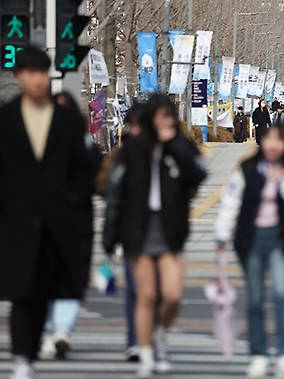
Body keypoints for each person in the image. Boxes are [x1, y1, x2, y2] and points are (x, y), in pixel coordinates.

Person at [0, 46, 96, 379]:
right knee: (22, 292)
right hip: (17, 222)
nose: (38, 79)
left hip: (59, 222)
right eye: (30, 73)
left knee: (45, 289)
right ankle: (22, 357)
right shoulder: (7, 119)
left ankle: (32, 348)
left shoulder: (67, 119)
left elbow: (86, 167)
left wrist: (73, 200)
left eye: (42, 72)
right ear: (19, 77)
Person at [103, 94, 207, 378]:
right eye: (160, 117)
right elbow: (116, 195)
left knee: (172, 296)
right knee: (146, 295)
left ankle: (159, 331)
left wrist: (173, 145)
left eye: (169, 116)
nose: (165, 122)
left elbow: (199, 174)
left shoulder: (179, 148)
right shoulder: (133, 150)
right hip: (138, 231)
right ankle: (146, 350)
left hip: (170, 232)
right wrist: (110, 238)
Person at [216, 124, 284, 379]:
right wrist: (222, 235)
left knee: (282, 294)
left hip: (280, 239)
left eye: (279, 140)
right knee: (255, 299)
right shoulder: (246, 170)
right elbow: (230, 202)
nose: (273, 145)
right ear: (261, 140)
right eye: (269, 139)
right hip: (251, 239)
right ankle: (258, 354)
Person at [40, 91, 102, 361]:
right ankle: (46, 332)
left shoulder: (85, 144)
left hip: (76, 222)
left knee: (71, 278)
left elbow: (98, 177)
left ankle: (62, 331)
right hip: (40, 222)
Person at [97, 104, 145, 362]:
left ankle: (148, 335)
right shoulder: (120, 158)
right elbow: (111, 197)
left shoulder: (165, 154)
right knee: (136, 290)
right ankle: (136, 340)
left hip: (163, 236)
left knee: (159, 292)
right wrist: (110, 237)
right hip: (133, 234)